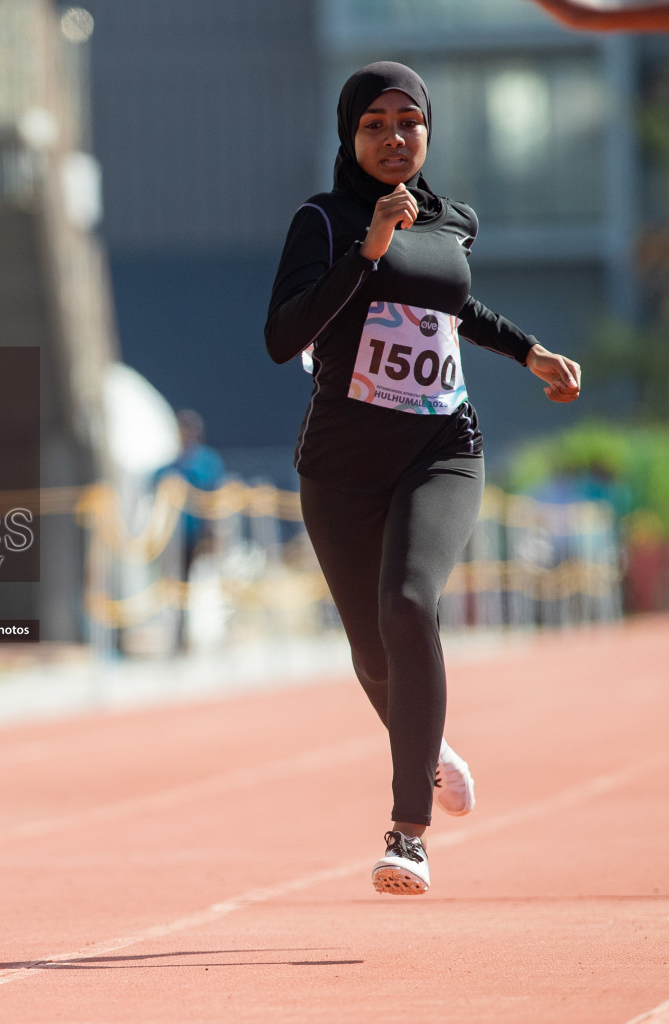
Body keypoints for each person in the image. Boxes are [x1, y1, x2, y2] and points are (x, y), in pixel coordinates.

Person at [264, 62, 581, 895]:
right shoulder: (324, 220)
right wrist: (367, 249)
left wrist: (528, 350)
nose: (394, 137)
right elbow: (282, 335)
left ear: (428, 131)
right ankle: (428, 741)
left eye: (409, 121)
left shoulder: (453, 222)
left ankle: (408, 831)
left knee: (409, 602)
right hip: (339, 461)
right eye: (375, 123)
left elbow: (453, 307)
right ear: (349, 136)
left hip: (441, 445)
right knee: (373, 654)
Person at [155, 410, 225, 653]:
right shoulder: (172, 465)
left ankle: (214, 638)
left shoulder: (206, 462)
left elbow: (214, 498)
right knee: (178, 586)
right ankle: (179, 638)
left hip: (203, 534)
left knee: (209, 585)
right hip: (177, 536)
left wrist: (213, 534)